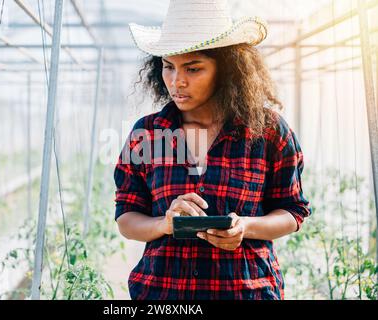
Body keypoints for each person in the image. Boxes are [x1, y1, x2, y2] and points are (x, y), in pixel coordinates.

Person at [113, 0, 311, 300]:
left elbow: (292, 212)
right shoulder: (148, 134)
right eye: (168, 67)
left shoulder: (268, 131)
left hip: (246, 291)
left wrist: (244, 227)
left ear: (228, 68)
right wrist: (164, 224)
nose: (177, 81)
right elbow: (127, 218)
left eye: (193, 68)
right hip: (163, 294)